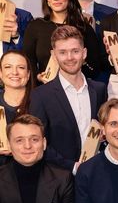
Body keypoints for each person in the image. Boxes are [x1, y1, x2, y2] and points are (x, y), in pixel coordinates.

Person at [28, 25, 107, 173]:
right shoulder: (40, 96)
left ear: (84, 53)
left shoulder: (99, 89)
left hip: (97, 171)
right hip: (59, 176)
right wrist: (72, 166)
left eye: (75, 51)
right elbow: (37, 141)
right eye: (63, 52)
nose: (70, 57)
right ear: (54, 55)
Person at [22, 0, 103, 82]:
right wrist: (38, 77)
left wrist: (81, 60)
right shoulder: (35, 26)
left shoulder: (84, 28)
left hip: (77, 88)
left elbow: (95, 69)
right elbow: (27, 62)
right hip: (45, 88)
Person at [0, 50, 34, 122]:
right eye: (8, 67)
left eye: (21, 67)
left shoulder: (41, 102)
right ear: (0, 73)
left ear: (28, 74)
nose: (15, 72)